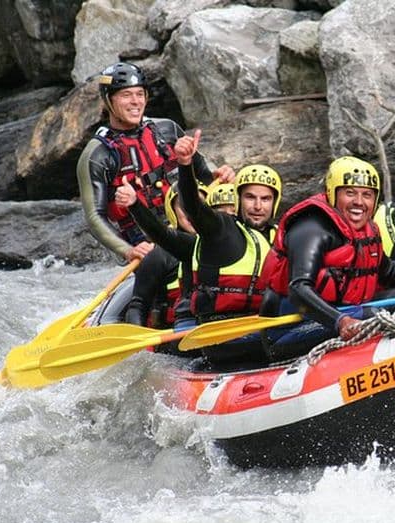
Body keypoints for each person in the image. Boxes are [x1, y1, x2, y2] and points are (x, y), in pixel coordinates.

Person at [259, 155, 395, 356]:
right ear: (333, 194)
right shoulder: (311, 228)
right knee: (392, 311)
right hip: (291, 328)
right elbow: (298, 289)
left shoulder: (367, 229)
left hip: (346, 310)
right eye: (350, 193)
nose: (359, 202)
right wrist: (340, 321)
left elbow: (389, 270)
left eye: (367, 195)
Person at [77, 61, 231, 262]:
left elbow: (204, 174)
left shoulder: (168, 129)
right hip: (146, 243)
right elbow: (94, 217)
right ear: (108, 101)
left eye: (140, 94)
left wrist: (220, 174)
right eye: (126, 95)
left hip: (189, 227)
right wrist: (127, 251)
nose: (135, 101)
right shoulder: (97, 155)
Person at [174, 130, 279, 324]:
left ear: (275, 203)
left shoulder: (281, 236)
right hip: (219, 329)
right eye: (250, 197)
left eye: (265, 199)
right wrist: (185, 165)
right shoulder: (221, 229)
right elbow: (193, 207)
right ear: (238, 200)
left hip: (263, 321)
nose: (257, 206)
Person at [114, 179, 211, 330]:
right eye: (184, 206)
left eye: (199, 204)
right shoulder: (159, 256)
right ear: (172, 210)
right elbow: (137, 308)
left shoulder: (220, 245)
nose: (192, 212)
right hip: (170, 335)